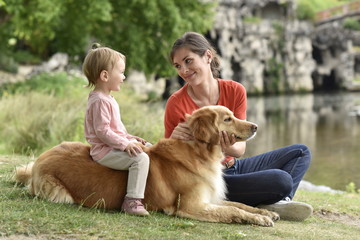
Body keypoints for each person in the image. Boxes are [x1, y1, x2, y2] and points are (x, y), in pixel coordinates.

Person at [164, 32, 313, 221]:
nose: (184, 70)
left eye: (188, 61)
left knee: (301, 152)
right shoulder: (176, 103)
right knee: (280, 180)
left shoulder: (235, 90)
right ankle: (267, 199)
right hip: (205, 176)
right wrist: (173, 139)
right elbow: (170, 163)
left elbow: (239, 150)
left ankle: (280, 202)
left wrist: (226, 146)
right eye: (178, 66)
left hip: (233, 165)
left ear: (208, 56)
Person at [82, 44, 150, 216]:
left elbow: (115, 129)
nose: (124, 77)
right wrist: (125, 144)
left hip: (113, 145)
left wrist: (130, 137)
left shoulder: (108, 99)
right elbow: (103, 132)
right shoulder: (99, 101)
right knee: (140, 159)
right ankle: (132, 201)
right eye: (121, 72)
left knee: (148, 147)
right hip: (104, 151)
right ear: (105, 75)